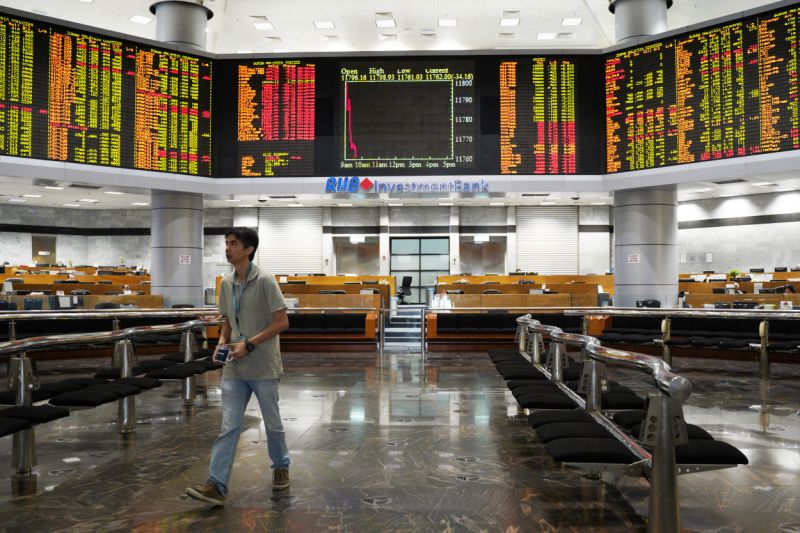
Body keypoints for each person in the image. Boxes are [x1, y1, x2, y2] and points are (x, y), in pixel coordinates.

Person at [186, 227, 290, 506]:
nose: (227, 249)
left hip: (263, 365)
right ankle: (216, 485)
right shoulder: (226, 283)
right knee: (229, 426)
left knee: (273, 424)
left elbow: (282, 322)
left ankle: (281, 465)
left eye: (233, 244)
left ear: (249, 249)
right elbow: (228, 321)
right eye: (227, 243)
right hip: (234, 367)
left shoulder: (265, 281)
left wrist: (250, 345)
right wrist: (222, 342)